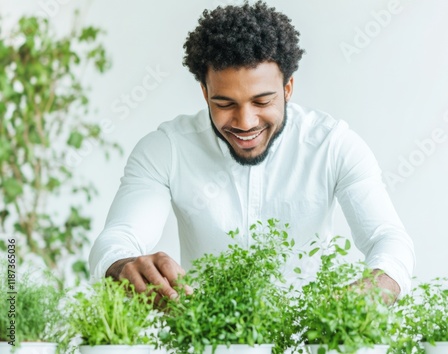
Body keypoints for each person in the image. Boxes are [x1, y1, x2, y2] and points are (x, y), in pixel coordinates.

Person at [89, 1, 415, 303]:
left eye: (262, 101)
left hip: (309, 341)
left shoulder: (333, 145)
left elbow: (388, 238)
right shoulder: (167, 149)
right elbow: (118, 238)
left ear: (287, 88)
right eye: (225, 103)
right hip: (207, 342)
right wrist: (123, 265)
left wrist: (375, 288)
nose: (245, 122)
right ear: (204, 93)